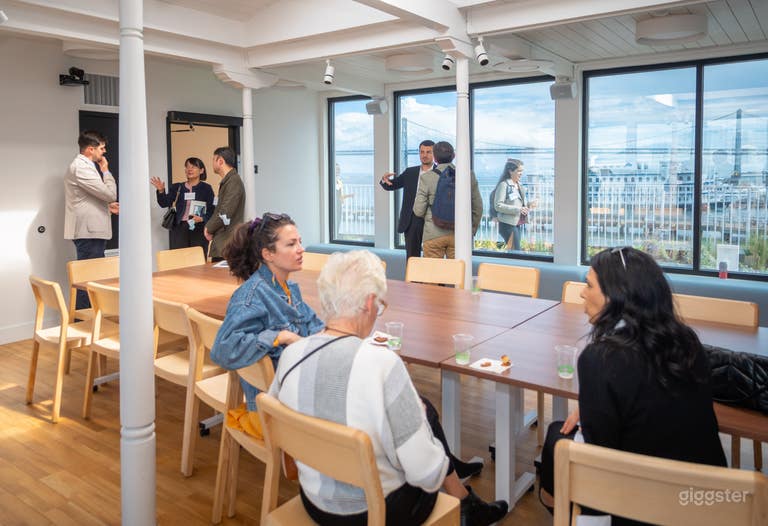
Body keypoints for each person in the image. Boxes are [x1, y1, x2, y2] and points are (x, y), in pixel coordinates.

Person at [268, 250, 508, 526]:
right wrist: (418, 424)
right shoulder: (382, 364)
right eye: (381, 305)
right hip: (375, 511)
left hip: (315, 502)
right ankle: (468, 506)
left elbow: (278, 423)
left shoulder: (292, 354)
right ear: (369, 303)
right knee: (422, 436)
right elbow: (426, 475)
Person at [539, 247, 727, 524]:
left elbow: (600, 463)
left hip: (642, 506)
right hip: (713, 499)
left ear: (616, 297)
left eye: (589, 285)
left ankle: (555, 505)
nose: (582, 292)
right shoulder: (687, 341)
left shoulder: (600, 359)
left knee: (557, 436)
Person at [211, 213, 324, 410]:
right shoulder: (251, 297)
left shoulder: (287, 289)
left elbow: (314, 327)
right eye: (291, 244)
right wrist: (279, 336)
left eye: (300, 242)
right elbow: (222, 350)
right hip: (275, 411)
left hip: (292, 393)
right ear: (268, 254)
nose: (301, 249)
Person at [64, 130, 120, 310]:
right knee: (88, 280)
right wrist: (106, 171)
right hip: (89, 232)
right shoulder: (82, 167)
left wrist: (108, 208)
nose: (104, 152)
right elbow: (110, 194)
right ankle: (84, 322)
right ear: (90, 149)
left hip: (90, 230)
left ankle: (87, 321)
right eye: (101, 148)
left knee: (90, 278)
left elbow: (88, 198)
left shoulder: (84, 166)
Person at [413, 141, 482, 259]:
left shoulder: (427, 178)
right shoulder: (468, 175)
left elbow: (418, 210)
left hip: (433, 233)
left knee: (432, 274)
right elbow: (477, 207)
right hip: (459, 234)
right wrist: (470, 230)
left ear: (434, 157)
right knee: (457, 273)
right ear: (453, 156)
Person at [379, 140, 434, 260]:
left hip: (432, 220)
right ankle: (412, 280)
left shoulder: (439, 172)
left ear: (434, 154)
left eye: (428, 152)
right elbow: (391, 185)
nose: (424, 155)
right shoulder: (410, 172)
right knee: (412, 258)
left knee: (431, 258)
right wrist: (384, 180)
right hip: (412, 220)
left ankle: (428, 279)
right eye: (422, 152)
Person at [150, 157, 215, 252]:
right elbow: (164, 203)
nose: (189, 169)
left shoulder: (206, 188)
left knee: (197, 259)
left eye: (193, 167)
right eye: (187, 167)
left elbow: (211, 209)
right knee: (180, 258)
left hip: (198, 228)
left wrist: (202, 218)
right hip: (180, 228)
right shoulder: (177, 187)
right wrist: (161, 191)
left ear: (201, 171)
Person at [204, 147, 244, 261]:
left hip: (227, 243)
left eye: (213, 160)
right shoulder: (228, 181)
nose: (212, 163)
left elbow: (225, 212)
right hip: (223, 241)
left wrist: (209, 228)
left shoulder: (233, 182)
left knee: (221, 278)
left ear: (220, 161)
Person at [492, 158, 532, 251]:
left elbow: (519, 204)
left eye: (522, 171)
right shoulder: (504, 185)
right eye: (519, 171)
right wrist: (518, 209)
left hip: (516, 223)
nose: (521, 173)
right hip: (507, 224)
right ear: (510, 171)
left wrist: (529, 205)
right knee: (515, 251)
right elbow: (498, 205)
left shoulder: (519, 185)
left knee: (514, 250)